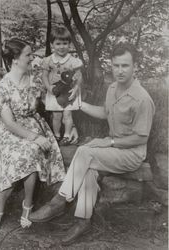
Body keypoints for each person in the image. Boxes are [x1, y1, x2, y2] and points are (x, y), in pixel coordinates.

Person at [29, 42, 155, 245]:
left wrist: (109, 142)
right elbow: (106, 113)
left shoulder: (142, 99)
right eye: (116, 66)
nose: (120, 71)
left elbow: (141, 138)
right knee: (87, 171)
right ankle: (82, 222)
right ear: (111, 66)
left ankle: (59, 201)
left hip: (131, 154)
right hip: (114, 149)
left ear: (135, 67)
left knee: (85, 152)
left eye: (125, 66)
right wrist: (79, 105)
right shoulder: (113, 88)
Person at [0, 38, 66, 233]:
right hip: (9, 130)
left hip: (33, 124)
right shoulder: (3, 86)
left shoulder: (35, 80)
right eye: (28, 55)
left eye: (32, 54)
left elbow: (54, 99)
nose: (32, 58)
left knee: (31, 151)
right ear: (15, 59)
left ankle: (28, 204)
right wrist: (35, 137)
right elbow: (8, 122)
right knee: (15, 153)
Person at [42, 26, 83, 146]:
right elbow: (44, 76)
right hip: (55, 91)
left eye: (65, 43)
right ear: (52, 45)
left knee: (67, 114)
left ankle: (66, 135)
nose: (61, 47)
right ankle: (56, 135)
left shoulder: (73, 61)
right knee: (56, 115)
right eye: (58, 43)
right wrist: (49, 88)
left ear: (69, 44)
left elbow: (79, 76)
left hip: (69, 91)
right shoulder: (49, 60)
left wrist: (75, 89)